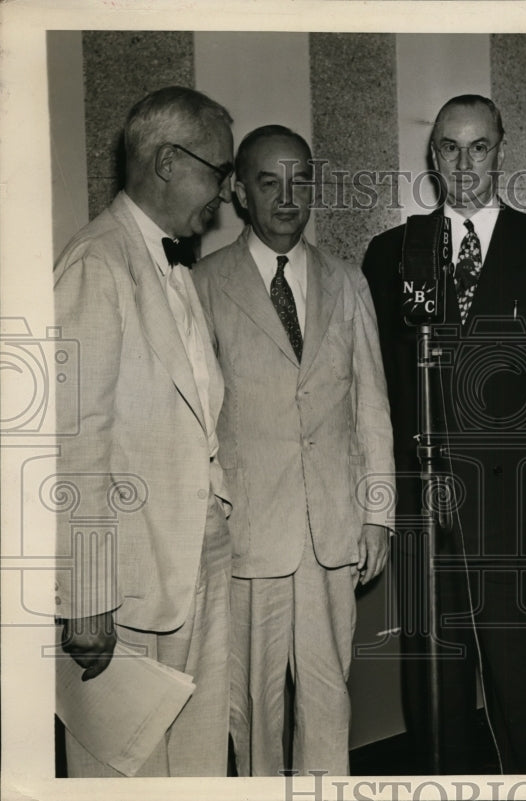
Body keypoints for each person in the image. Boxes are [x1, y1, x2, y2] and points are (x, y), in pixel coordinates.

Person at [361, 95, 526, 773]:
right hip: (427, 513)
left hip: (518, 507)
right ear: (433, 156)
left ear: (501, 150)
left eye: (479, 146)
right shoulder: (392, 253)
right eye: (450, 148)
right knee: (436, 684)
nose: (464, 163)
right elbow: (375, 388)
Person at [192, 125, 394, 776]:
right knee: (252, 708)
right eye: (267, 181)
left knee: (329, 696)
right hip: (249, 533)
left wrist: (378, 514)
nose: (286, 195)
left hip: (333, 531)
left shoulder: (347, 281)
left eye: (300, 179)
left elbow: (372, 405)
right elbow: (196, 419)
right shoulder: (202, 284)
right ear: (239, 193)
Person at [54, 86, 235, 776]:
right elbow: (75, 446)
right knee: (122, 769)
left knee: (196, 762)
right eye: (216, 172)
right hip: (126, 582)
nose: (222, 193)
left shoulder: (170, 265)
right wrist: (88, 596)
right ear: (166, 161)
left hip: (193, 558)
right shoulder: (97, 264)